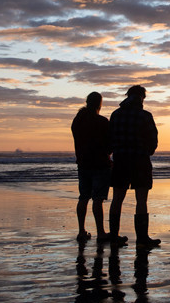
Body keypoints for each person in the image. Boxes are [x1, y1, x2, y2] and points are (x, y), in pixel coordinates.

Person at [108, 85, 160, 247]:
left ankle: (114, 236)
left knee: (117, 198)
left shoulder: (116, 115)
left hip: (121, 160)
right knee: (141, 199)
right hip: (140, 161)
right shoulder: (144, 116)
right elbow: (153, 140)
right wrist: (147, 151)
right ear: (142, 98)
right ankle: (142, 238)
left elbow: (109, 139)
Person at [71, 91, 112, 243]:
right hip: (100, 164)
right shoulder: (102, 121)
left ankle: (81, 231)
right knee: (98, 199)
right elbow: (109, 145)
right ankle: (100, 232)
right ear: (99, 104)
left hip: (83, 163)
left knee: (83, 197)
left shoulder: (77, 121)